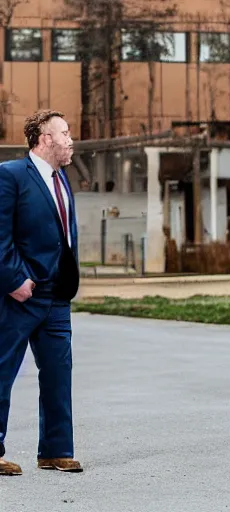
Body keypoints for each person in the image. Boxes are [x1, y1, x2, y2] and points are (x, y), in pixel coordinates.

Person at [0, 109, 82, 475]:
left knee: (57, 373)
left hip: (57, 298)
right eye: (64, 133)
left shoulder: (62, 180)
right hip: (20, 295)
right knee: (2, 372)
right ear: (45, 139)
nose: (70, 140)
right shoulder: (11, 175)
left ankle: (55, 450)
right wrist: (13, 280)